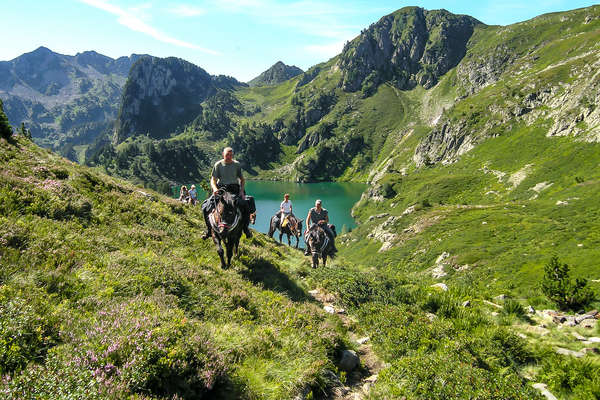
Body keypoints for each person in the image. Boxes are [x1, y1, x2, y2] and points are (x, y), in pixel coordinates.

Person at [202, 147, 253, 239]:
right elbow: (213, 180)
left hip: (234, 189)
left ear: (232, 155)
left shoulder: (237, 164)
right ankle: (209, 230)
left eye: (230, 155)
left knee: (245, 206)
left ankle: (246, 229)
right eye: (227, 155)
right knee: (206, 206)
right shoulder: (218, 165)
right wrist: (214, 188)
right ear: (223, 154)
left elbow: (242, 180)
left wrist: (241, 191)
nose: (229, 157)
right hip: (221, 189)